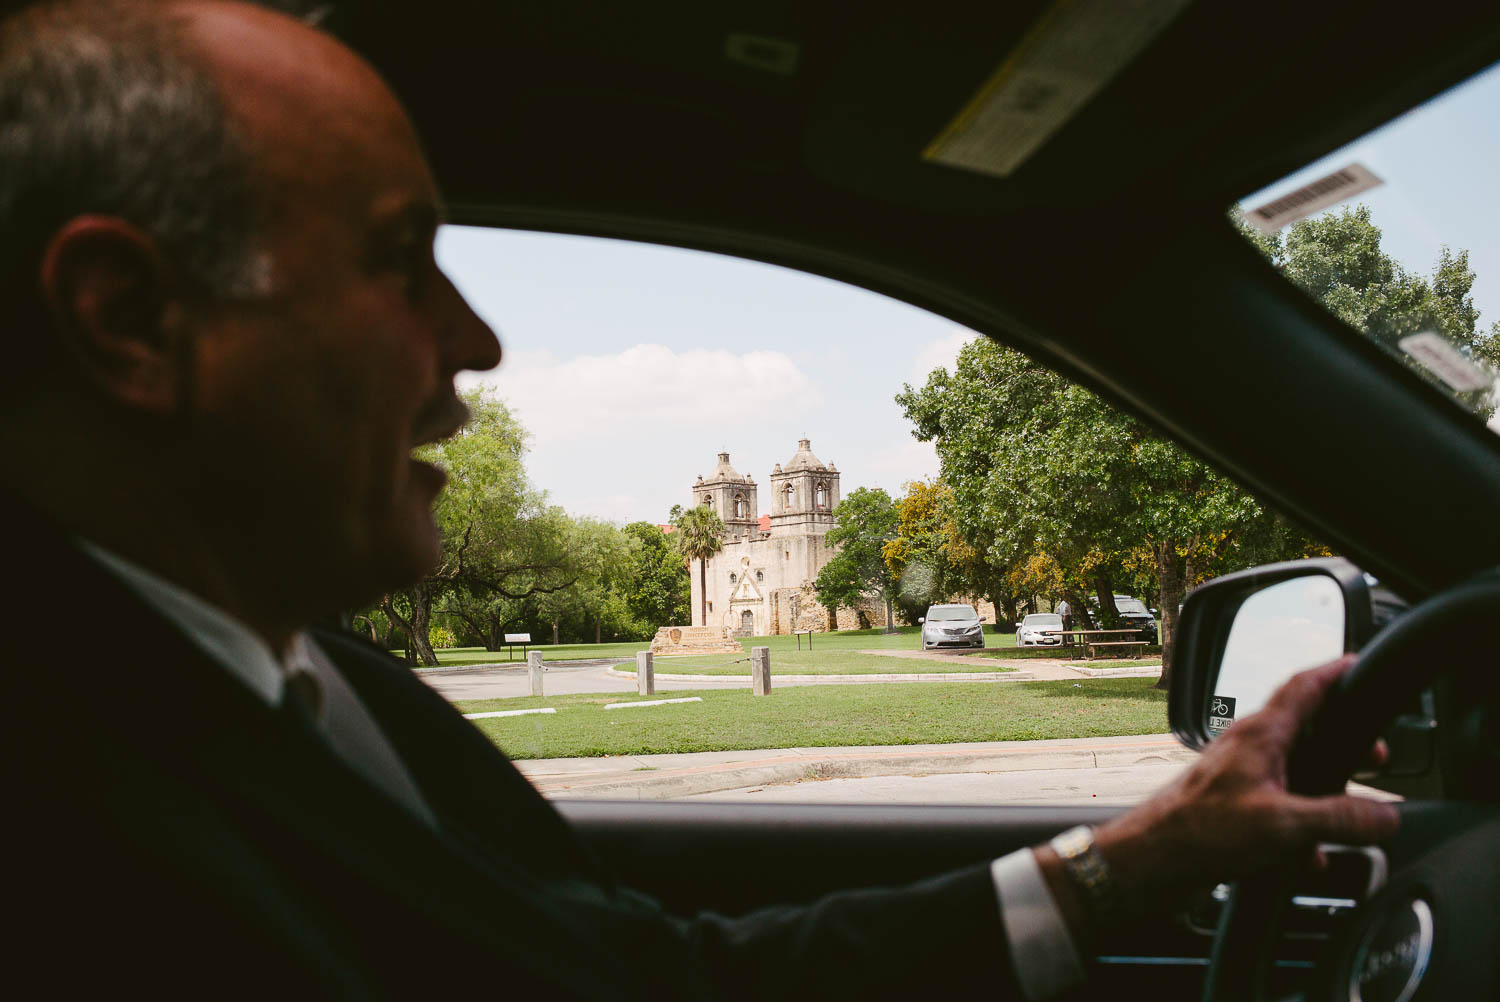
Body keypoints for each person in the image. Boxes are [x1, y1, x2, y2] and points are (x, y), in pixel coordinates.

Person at [0, 2, 1399, 998]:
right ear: (127, 318)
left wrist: (1139, 853)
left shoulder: (319, 682)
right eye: (398, 259)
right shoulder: (72, 828)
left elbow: (632, 973)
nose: (477, 340)